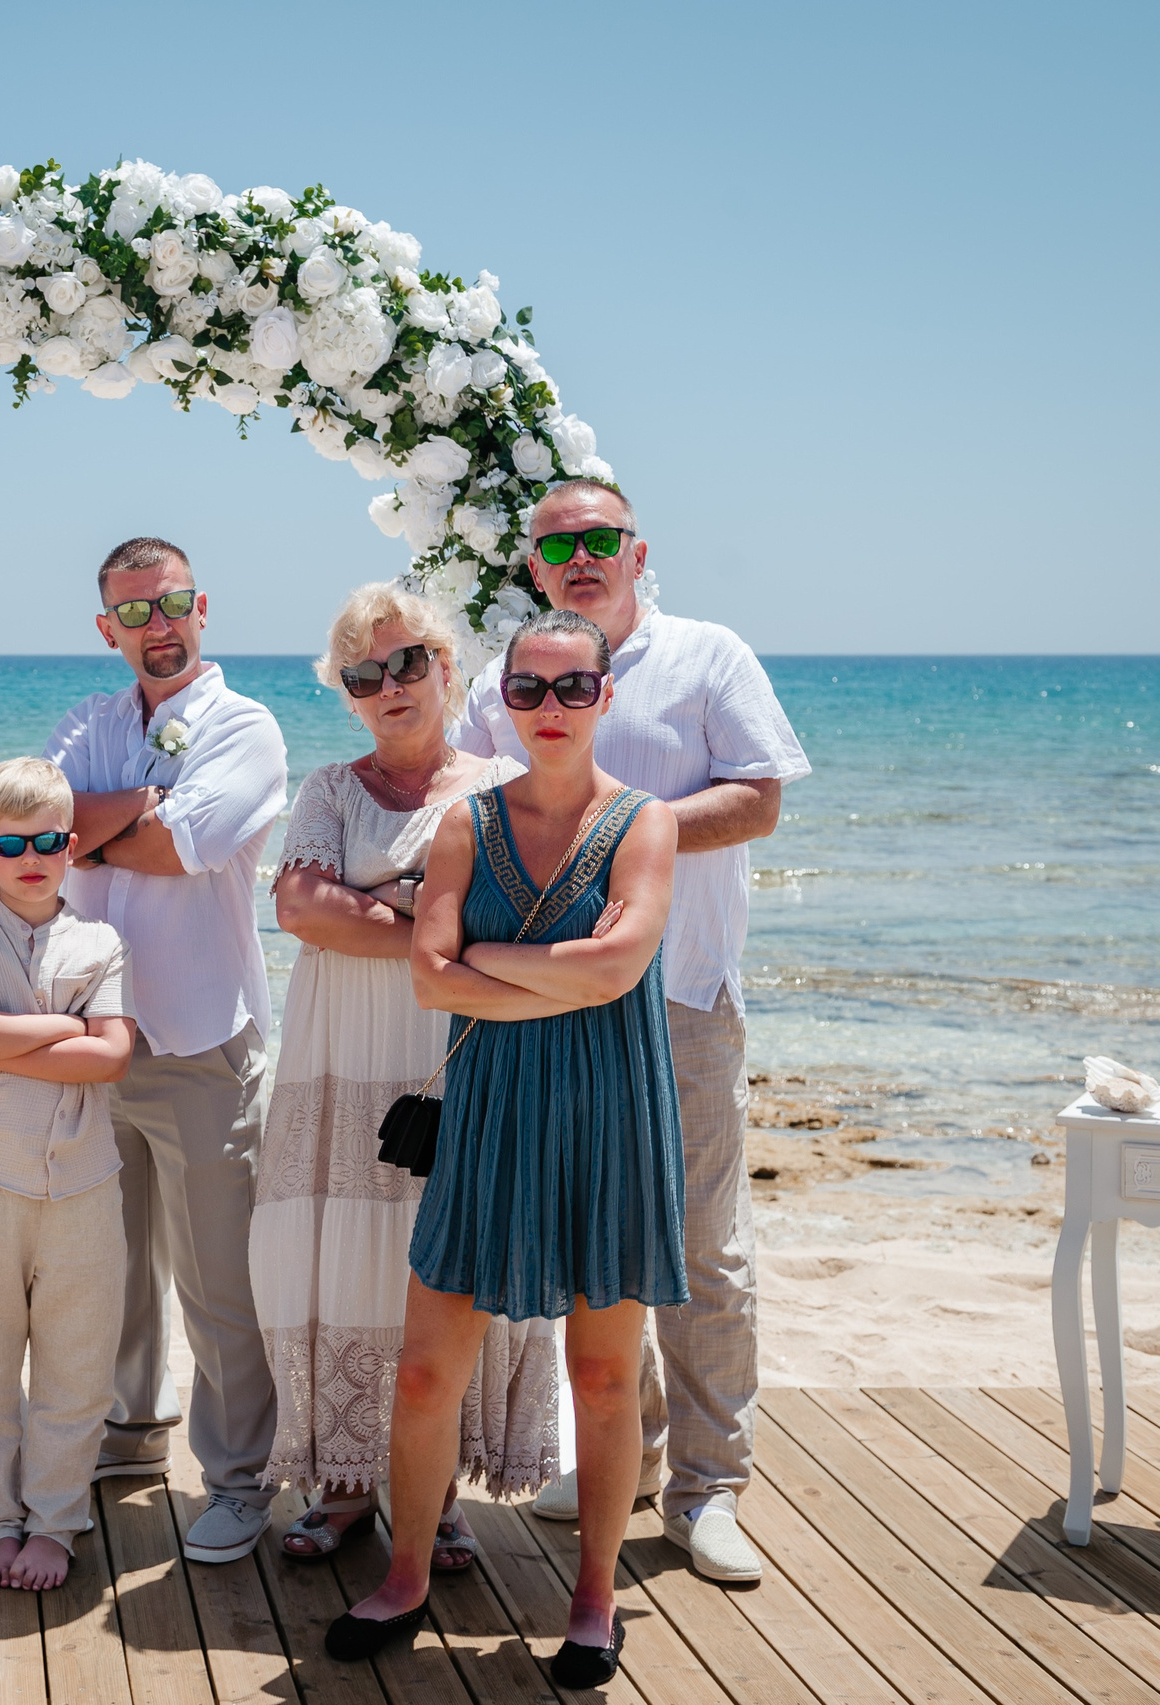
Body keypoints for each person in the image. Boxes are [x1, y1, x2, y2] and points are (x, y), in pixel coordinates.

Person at [451, 480, 810, 1584]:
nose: (583, 556)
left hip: (681, 993)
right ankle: (633, 1460)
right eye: (559, 545)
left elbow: (758, 798)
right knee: (602, 1244)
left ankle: (711, 1488)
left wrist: (620, 841)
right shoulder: (503, 679)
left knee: (703, 1247)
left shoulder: (707, 655)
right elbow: (465, 803)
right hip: (544, 1004)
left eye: (601, 538)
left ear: (637, 552)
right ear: (533, 567)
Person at [328, 608, 681, 1687]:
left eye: (573, 687)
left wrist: (491, 956)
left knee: (603, 1375)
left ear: (605, 695)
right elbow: (429, 978)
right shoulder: (464, 826)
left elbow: (618, 969)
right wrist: (563, 972)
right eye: (527, 688)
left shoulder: (646, 824)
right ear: (503, 699)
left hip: (611, 1118)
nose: (549, 707)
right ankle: (404, 1577)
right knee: (425, 1372)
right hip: (487, 1118)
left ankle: (592, 1599)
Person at [254, 585, 558, 1568]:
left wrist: (377, 897)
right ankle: (345, 1485)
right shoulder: (328, 790)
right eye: (363, 674)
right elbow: (302, 910)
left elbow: (523, 916)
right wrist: (433, 918)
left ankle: (438, 1497)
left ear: (447, 668)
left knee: (442, 1264)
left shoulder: (505, 783)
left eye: (407, 663)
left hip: (462, 1059)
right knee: (345, 1256)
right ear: (346, 693)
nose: (388, 685)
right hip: (344, 1060)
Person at [45, 536, 290, 1564]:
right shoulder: (88, 721)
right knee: (109, 1264)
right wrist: (121, 814)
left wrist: (96, 826)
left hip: (201, 1037)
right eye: (136, 611)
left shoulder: (245, 725)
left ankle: (239, 1476)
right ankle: (130, 1428)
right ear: (107, 627)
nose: (160, 625)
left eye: (173, 603)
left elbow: (183, 847)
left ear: (203, 606)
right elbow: (34, 826)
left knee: (219, 1279)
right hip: (93, 1032)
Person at [0, 758, 136, 1592]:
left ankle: (54, 1521)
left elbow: (112, 1058)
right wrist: (65, 1028)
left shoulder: (101, 941)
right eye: (10, 844)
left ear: (71, 845)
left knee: (75, 1366)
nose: (30, 857)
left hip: (84, 1181)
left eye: (47, 841)